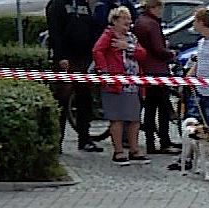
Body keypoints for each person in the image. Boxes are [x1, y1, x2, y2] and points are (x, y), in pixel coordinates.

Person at [171, 6, 209, 174]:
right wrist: (188, 78)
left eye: (195, 21)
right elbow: (199, 63)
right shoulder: (202, 42)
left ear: (201, 22)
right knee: (194, 125)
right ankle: (189, 157)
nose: (193, 25)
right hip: (199, 91)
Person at [93, 5, 150, 164]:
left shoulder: (132, 37)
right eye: (124, 18)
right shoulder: (108, 35)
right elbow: (97, 51)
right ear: (115, 20)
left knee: (134, 119)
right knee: (116, 118)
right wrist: (104, 71)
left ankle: (134, 150)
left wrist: (127, 47)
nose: (128, 22)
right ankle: (118, 152)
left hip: (133, 84)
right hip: (115, 84)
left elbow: (142, 54)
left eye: (129, 19)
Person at [46, 0, 105, 153]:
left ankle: (84, 139)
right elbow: (55, 32)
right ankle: (57, 140)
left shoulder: (83, 4)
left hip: (83, 59)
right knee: (61, 100)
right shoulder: (57, 4)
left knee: (84, 99)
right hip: (66, 60)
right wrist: (60, 56)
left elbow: (90, 28)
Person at [134, 0, 178, 153]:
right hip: (158, 70)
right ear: (155, 7)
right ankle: (165, 142)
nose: (161, 12)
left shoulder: (140, 21)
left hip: (145, 70)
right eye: (160, 8)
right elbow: (158, 49)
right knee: (163, 109)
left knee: (149, 109)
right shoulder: (152, 24)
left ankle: (150, 143)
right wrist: (171, 54)